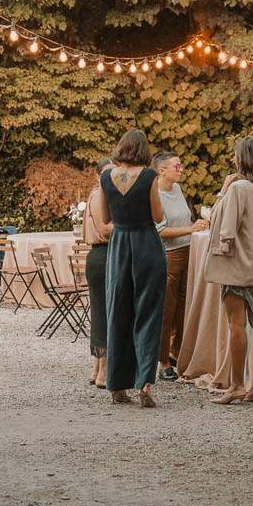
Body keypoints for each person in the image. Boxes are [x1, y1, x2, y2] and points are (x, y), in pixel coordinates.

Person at [91, 130, 167, 407]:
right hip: (146, 244)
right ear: (144, 150)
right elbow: (158, 216)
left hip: (120, 245)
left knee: (118, 311)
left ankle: (117, 387)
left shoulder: (105, 177)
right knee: (148, 312)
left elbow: (106, 217)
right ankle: (144, 382)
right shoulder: (149, 177)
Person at [204, 137, 253, 404]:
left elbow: (224, 225)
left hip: (237, 266)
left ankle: (236, 385)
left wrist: (223, 190)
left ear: (241, 159)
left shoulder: (238, 189)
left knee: (236, 325)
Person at [152, 150, 209, 381]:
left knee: (184, 307)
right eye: (177, 166)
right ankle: (162, 360)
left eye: (181, 165)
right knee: (166, 309)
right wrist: (191, 229)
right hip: (168, 255)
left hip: (188, 251)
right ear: (161, 170)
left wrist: (195, 226)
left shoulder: (176, 189)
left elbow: (184, 219)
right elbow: (159, 231)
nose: (181, 169)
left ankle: (177, 353)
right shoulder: (154, 194)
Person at [83, 158, 115, 390]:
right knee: (105, 313)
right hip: (102, 255)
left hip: (102, 256)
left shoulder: (103, 194)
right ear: (97, 176)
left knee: (102, 312)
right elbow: (104, 229)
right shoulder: (100, 195)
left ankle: (97, 368)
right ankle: (103, 371)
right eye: (106, 172)